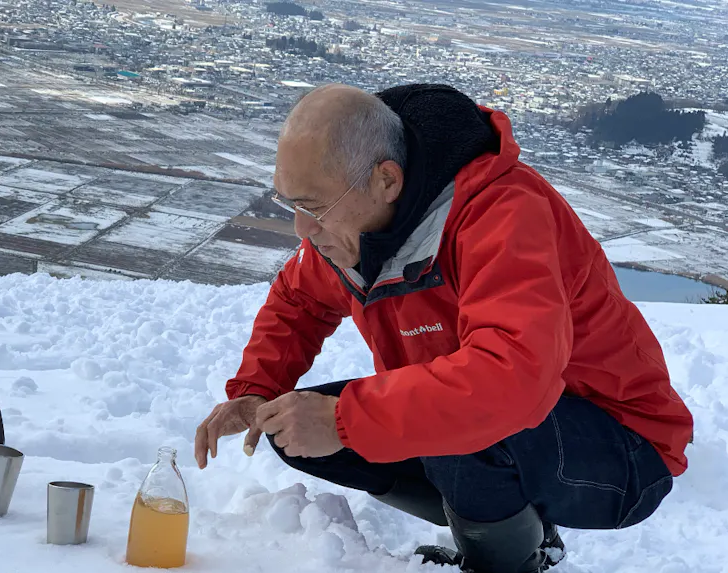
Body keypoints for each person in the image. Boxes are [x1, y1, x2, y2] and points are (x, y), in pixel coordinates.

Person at [193, 83, 694, 573]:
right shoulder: (354, 226)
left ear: (387, 180)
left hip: (623, 449)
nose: (302, 230)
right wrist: (257, 390)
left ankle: (511, 560)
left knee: (452, 436)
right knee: (291, 426)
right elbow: (299, 300)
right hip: (505, 429)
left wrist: (346, 419)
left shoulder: (502, 212)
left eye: (314, 206)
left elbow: (512, 379)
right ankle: (505, 520)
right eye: (292, 205)